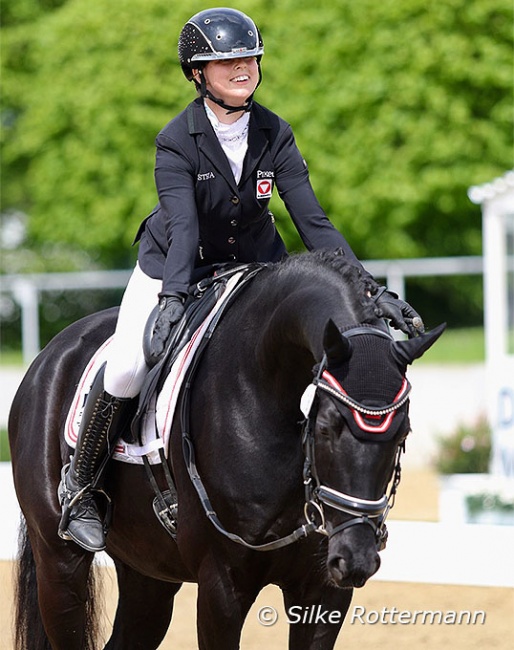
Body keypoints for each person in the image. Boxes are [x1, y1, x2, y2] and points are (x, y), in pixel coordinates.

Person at [58, 7, 424, 553]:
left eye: (248, 57)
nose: (241, 68)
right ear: (197, 72)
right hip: (174, 266)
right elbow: (183, 227)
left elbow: (312, 220)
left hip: (254, 267)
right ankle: (82, 487)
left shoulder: (275, 131)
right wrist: (173, 298)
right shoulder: (176, 139)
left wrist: (371, 292)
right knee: (131, 362)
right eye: (224, 60)